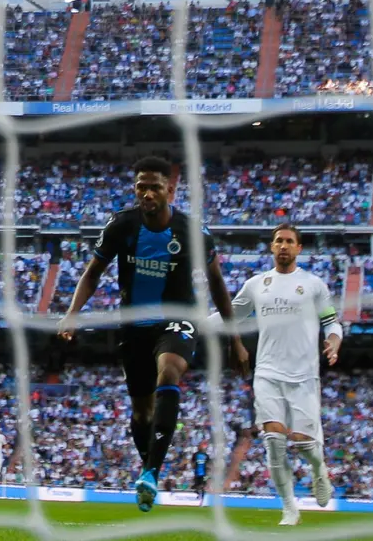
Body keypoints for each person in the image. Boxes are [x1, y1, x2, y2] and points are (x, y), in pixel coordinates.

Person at [57, 155, 248, 512]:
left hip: (178, 320)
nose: (146, 193)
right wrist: (71, 315)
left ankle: (150, 472)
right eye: (140, 186)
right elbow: (92, 272)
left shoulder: (192, 231)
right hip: (133, 328)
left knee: (170, 369)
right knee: (142, 413)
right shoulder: (121, 226)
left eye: (154, 187)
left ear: (170, 190)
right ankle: (149, 470)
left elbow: (217, 283)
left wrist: (234, 339)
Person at [214, 223, 340, 526]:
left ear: (299, 248)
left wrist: (333, 343)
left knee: (304, 444)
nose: (283, 246)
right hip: (268, 373)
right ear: (271, 247)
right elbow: (229, 316)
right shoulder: (257, 284)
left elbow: (332, 323)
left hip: (304, 376)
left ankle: (319, 469)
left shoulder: (313, 285)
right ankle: (289, 508)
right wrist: (190, 325)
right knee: (273, 439)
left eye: (289, 242)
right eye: (278, 241)